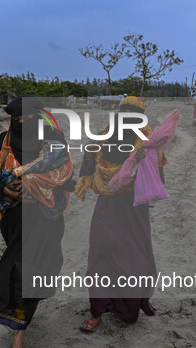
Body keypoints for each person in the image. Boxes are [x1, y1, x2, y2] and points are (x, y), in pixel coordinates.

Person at [0, 95, 73, 348]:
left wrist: (35, 188)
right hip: (14, 220)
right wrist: (6, 191)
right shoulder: (2, 144)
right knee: (20, 268)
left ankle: (19, 334)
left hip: (45, 218)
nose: (21, 123)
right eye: (16, 119)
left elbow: (66, 176)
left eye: (27, 119)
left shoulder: (54, 141)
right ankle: (19, 320)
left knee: (30, 268)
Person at [75, 96, 167, 332]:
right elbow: (88, 170)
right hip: (107, 205)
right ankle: (97, 311)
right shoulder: (105, 136)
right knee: (100, 254)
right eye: (123, 113)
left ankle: (129, 307)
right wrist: (89, 151)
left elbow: (157, 182)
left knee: (132, 257)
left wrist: (140, 163)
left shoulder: (148, 142)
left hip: (133, 207)